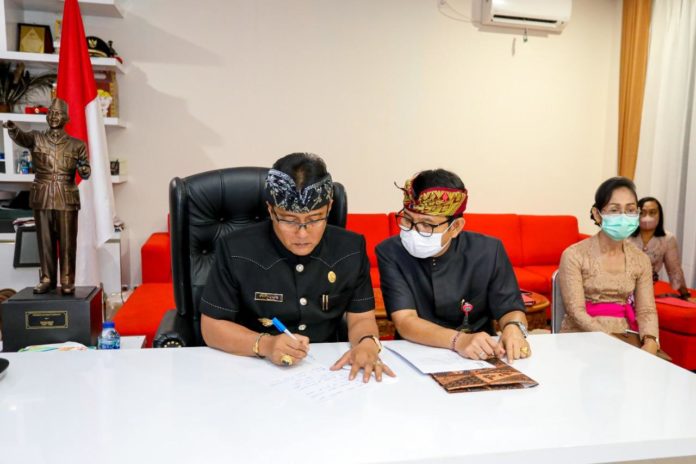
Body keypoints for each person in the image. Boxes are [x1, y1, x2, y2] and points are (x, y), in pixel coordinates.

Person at [199, 153, 395, 382]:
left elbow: (361, 318)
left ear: (329, 207)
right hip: (251, 368)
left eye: (315, 218)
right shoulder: (236, 248)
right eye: (289, 220)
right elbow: (211, 327)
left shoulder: (350, 248)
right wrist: (265, 344)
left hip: (327, 370)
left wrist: (367, 343)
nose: (302, 234)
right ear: (271, 210)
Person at [376, 169, 531, 363]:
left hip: (481, 352)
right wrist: (459, 341)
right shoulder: (390, 251)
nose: (413, 231)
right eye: (407, 219)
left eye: (427, 224)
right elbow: (405, 320)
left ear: (456, 227)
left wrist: (514, 328)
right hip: (416, 352)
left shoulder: (489, 251)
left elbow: (510, 308)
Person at [557, 177, 660, 355]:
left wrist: (651, 340)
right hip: (580, 338)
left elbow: (646, 310)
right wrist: (610, 340)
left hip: (625, 336)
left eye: (630, 210)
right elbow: (576, 311)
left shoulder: (641, 259)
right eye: (614, 210)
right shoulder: (574, 255)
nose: (623, 217)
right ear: (597, 214)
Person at [3, 98, 90, 295]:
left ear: (66, 118)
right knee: (45, 240)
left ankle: (67, 280)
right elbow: (22, 138)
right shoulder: (36, 138)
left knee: (68, 242)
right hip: (42, 194)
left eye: (57, 113)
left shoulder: (77, 145)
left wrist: (84, 169)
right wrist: (13, 129)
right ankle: (47, 278)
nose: (53, 116)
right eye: (50, 113)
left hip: (66, 196)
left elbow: (85, 170)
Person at [629, 197, 691, 300]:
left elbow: (674, 270)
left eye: (652, 212)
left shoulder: (668, 239)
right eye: (642, 213)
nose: (647, 217)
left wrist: (685, 295)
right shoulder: (625, 236)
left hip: (645, 290)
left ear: (660, 215)